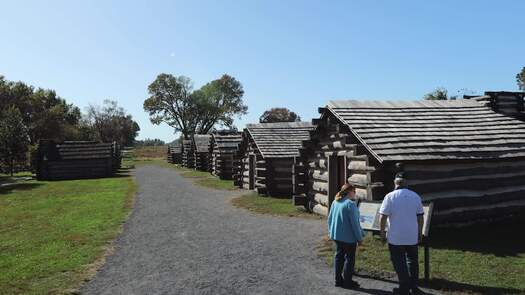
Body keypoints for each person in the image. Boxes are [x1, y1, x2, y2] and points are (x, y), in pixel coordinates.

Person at [379, 174, 424, 295]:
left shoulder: (389, 197)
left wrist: (382, 234)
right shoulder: (415, 196)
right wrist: (420, 233)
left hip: (395, 237)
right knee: (413, 262)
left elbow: (383, 217)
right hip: (412, 236)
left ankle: (404, 287)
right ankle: (414, 287)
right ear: (406, 183)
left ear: (395, 183)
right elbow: (420, 217)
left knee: (399, 262)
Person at [327, 183, 365, 289]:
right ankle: (348, 282)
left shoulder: (336, 201)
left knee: (339, 257)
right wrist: (359, 238)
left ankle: (338, 280)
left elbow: (329, 219)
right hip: (349, 238)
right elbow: (355, 224)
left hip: (337, 236)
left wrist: (330, 232)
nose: (355, 193)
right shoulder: (350, 204)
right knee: (349, 259)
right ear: (349, 192)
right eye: (354, 191)